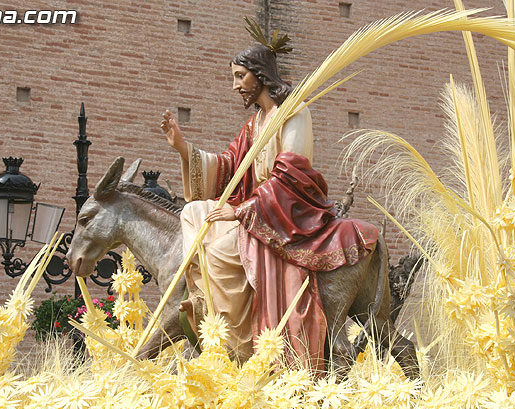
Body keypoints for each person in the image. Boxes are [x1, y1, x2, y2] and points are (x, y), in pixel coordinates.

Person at [161, 43, 377, 371]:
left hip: (285, 212)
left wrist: (242, 211)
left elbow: (293, 176)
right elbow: (230, 166)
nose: (235, 85)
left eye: (240, 76)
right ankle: (208, 306)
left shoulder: (293, 113)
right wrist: (183, 148)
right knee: (194, 212)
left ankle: (239, 342)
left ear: (260, 75)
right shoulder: (254, 124)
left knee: (219, 250)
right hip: (254, 207)